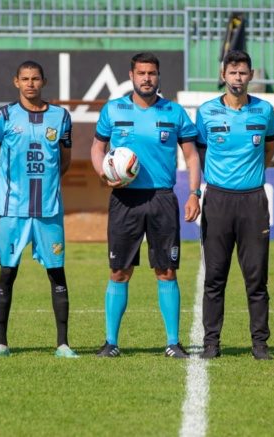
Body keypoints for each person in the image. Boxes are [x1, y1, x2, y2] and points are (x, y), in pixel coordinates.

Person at [90, 52, 201, 358]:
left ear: (158, 76)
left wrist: (194, 193)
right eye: (141, 73)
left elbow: (192, 156)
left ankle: (173, 342)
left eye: (152, 73)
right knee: (119, 271)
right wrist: (103, 174)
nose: (147, 78)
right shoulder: (113, 110)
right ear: (131, 75)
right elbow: (97, 148)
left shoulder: (174, 112)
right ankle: (111, 342)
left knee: (166, 270)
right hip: (125, 199)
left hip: (161, 198)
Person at [0, 60, 78, 358]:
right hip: (12, 210)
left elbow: (64, 160)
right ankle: (1, 344)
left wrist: (48, 184)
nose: (30, 84)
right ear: (16, 82)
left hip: (48, 210)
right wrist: (9, 186)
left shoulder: (61, 117)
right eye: (24, 79)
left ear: (44, 81)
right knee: (7, 273)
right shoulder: (2, 116)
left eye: (35, 78)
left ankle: (62, 344)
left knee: (57, 273)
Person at [194, 50, 274, 360]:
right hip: (218, 200)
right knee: (215, 276)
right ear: (223, 75)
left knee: (256, 277)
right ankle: (211, 343)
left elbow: (271, 146)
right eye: (232, 73)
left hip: (253, 201)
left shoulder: (264, 110)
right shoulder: (206, 112)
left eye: (243, 73)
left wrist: (252, 173)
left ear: (251, 75)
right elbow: (200, 151)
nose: (238, 78)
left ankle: (260, 344)